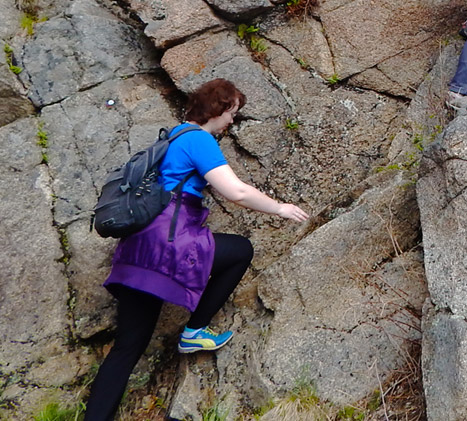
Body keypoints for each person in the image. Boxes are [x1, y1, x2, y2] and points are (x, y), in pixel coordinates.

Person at [84, 79, 309, 421]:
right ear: (216, 108)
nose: (232, 121)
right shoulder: (198, 139)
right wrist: (279, 208)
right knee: (240, 250)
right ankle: (194, 331)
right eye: (231, 111)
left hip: (136, 251)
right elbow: (236, 191)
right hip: (167, 248)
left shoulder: (171, 136)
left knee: (127, 348)